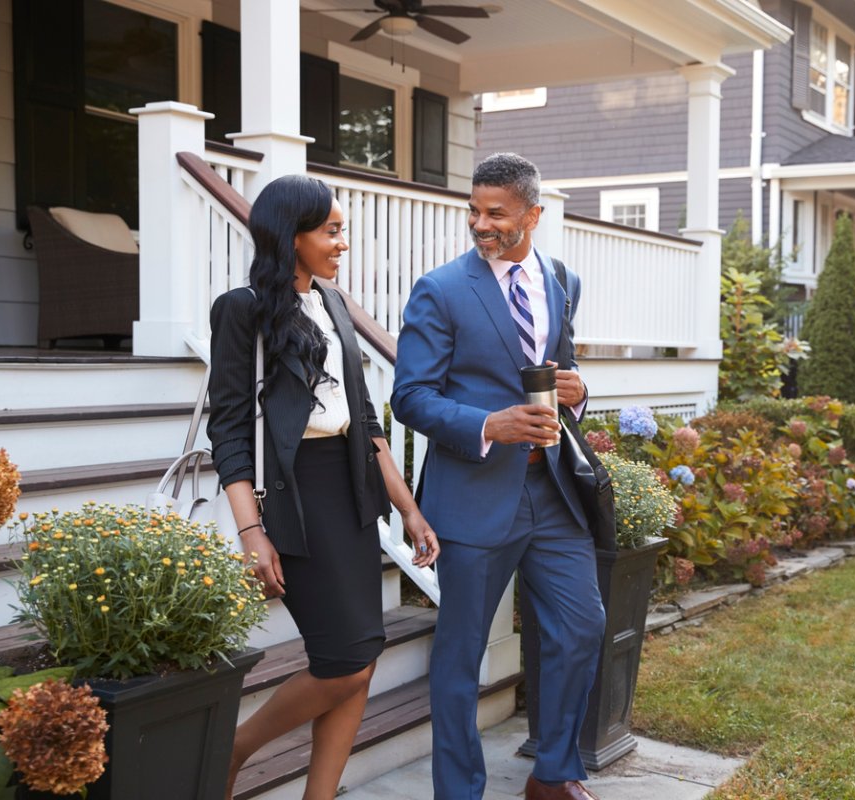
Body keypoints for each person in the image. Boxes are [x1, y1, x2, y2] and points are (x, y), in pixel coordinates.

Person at [208, 174, 440, 800]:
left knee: (361, 661)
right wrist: (251, 532)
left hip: (353, 487)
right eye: (331, 231)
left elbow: (365, 422)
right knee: (342, 660)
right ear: (292, 236)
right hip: (296, 493)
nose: (342, 243)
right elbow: (228, 431)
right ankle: (232, 749)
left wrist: (408, 509)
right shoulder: (242, 309)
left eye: (343, 231)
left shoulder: (334, 304)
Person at [392, 153, 606, 800]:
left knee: (583, 626)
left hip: (553, 491)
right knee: (460, 657)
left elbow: (558, 372)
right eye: (474, 211)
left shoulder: (562, 279)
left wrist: (578, 390)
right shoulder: (440, 289)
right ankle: (459, 791)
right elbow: (411, 396)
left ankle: (554, 774)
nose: (481, 225)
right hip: (474, 496)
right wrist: (491, 425)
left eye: (497, 214)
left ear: (533, 215)